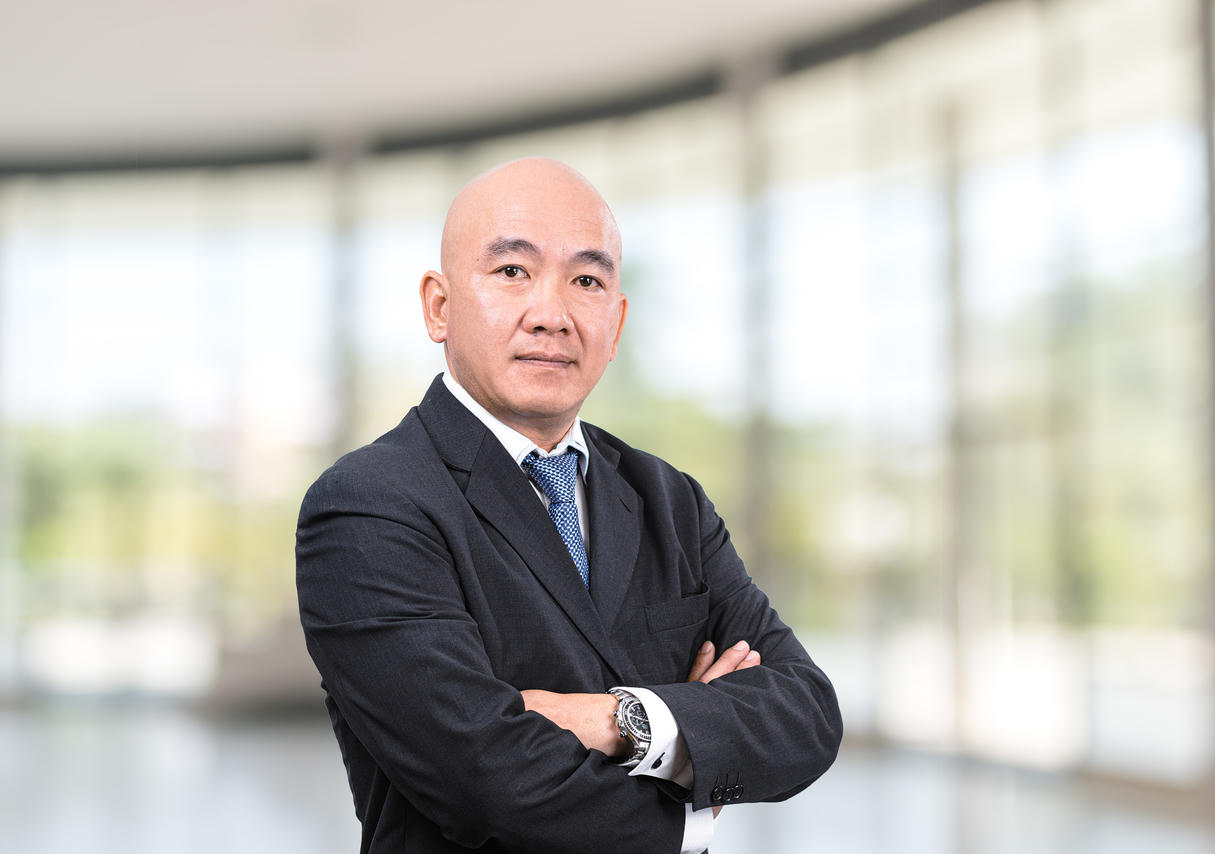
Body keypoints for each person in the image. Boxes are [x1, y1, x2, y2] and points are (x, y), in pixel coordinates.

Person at [295, 157, 842, 854]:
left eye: (586, 281)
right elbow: (484, 780)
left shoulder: (670, 501)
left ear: (616, 324)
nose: (551, 316)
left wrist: (622, 720)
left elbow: (806, 714)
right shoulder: (369, 507)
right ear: (439, 306)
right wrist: (691, 806)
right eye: (512, 271)